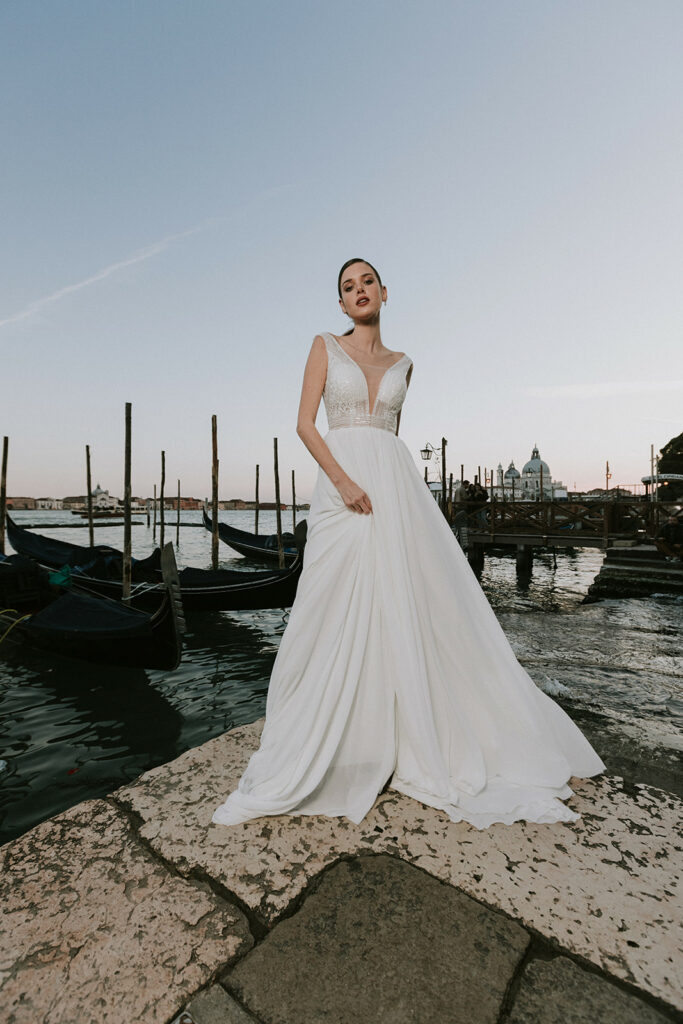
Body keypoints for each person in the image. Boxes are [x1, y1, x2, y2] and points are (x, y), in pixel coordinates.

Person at [211, 258, 605, 831]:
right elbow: (304, 423)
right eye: (347, 287)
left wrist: (378, 483)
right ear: (341, 305)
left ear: (384, 293)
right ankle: (328, 738)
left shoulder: (406, 363)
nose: (358, 291)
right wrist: (344, 482)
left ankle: (397, 732)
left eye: (366, 281)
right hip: (341, 485)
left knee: (407, 599)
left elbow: (390, 434)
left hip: (395, 486)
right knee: (328, 603)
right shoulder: (324, 345)